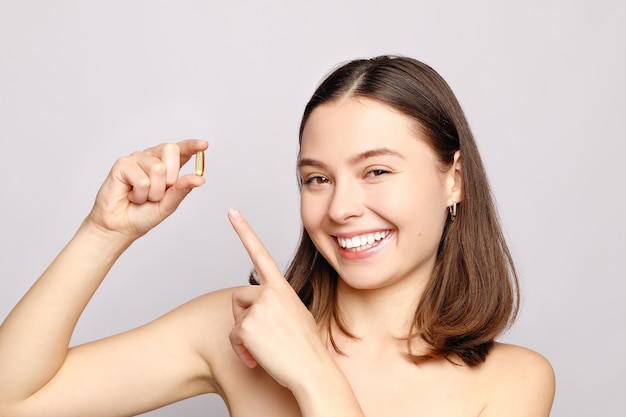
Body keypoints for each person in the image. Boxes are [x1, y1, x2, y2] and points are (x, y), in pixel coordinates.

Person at [0, 55, 555, 417]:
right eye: (317, 178)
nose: (340, 208)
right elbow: (14, 399)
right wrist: (104, 232)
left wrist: (315, 376)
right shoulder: (236, 328)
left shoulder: (512, 385)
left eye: (377, 171)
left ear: (453, 180)